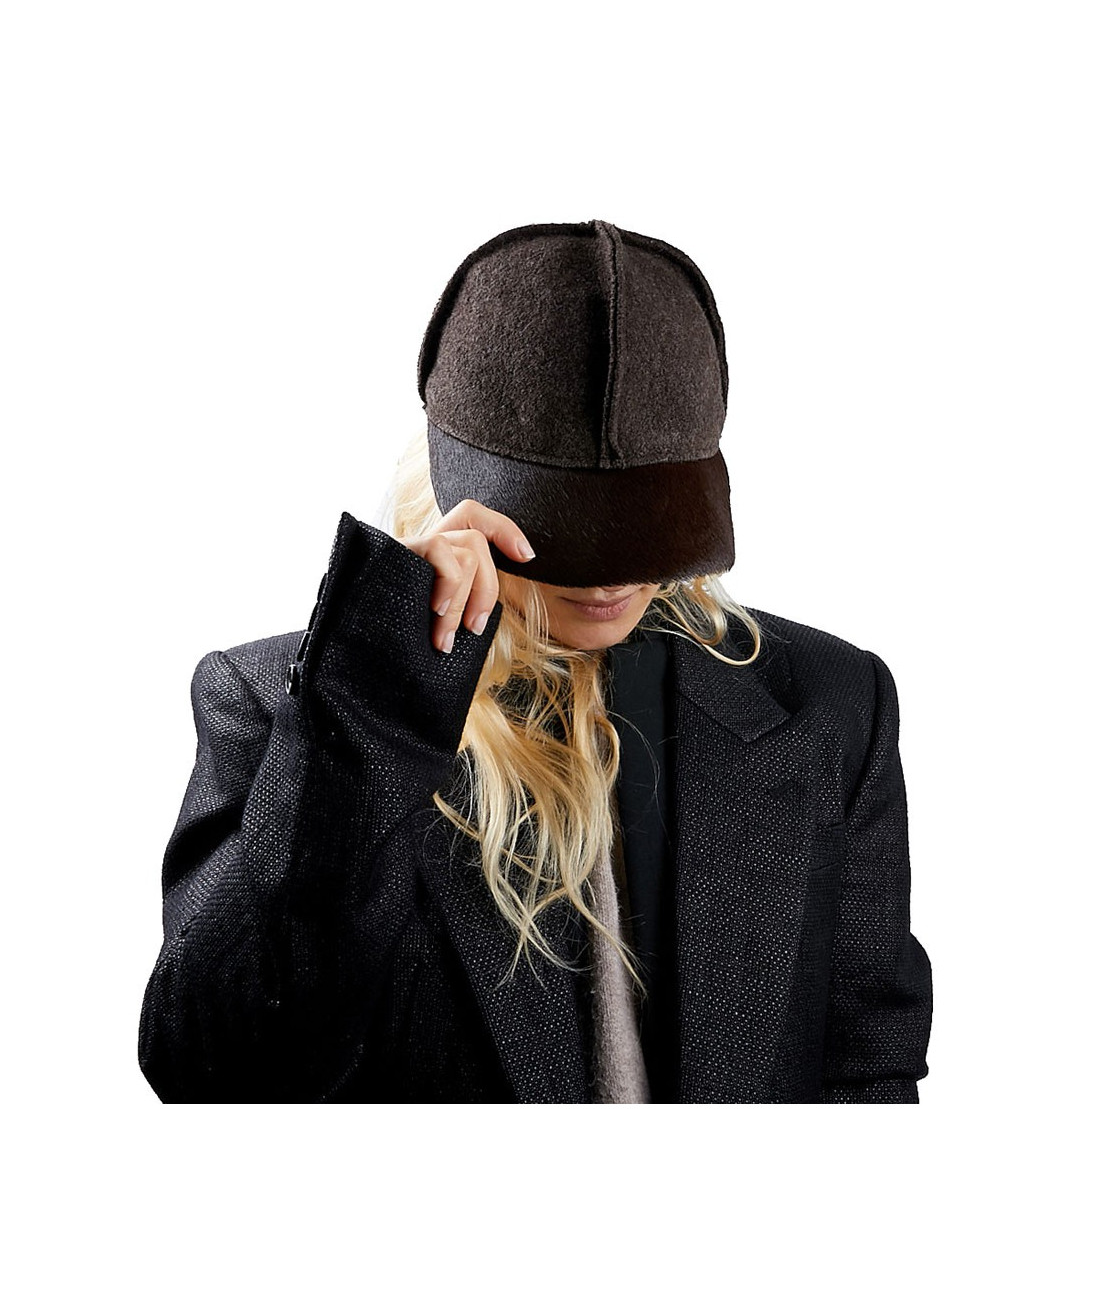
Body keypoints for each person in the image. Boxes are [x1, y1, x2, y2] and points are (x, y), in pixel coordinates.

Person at [137, 218, 933, 1103]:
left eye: (650, 527)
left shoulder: (832, 706)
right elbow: (211, 1073)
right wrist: (379, 692)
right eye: (569, 531)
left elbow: (870, 1067)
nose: (614, 576)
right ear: (457, 490)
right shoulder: (281, 703)